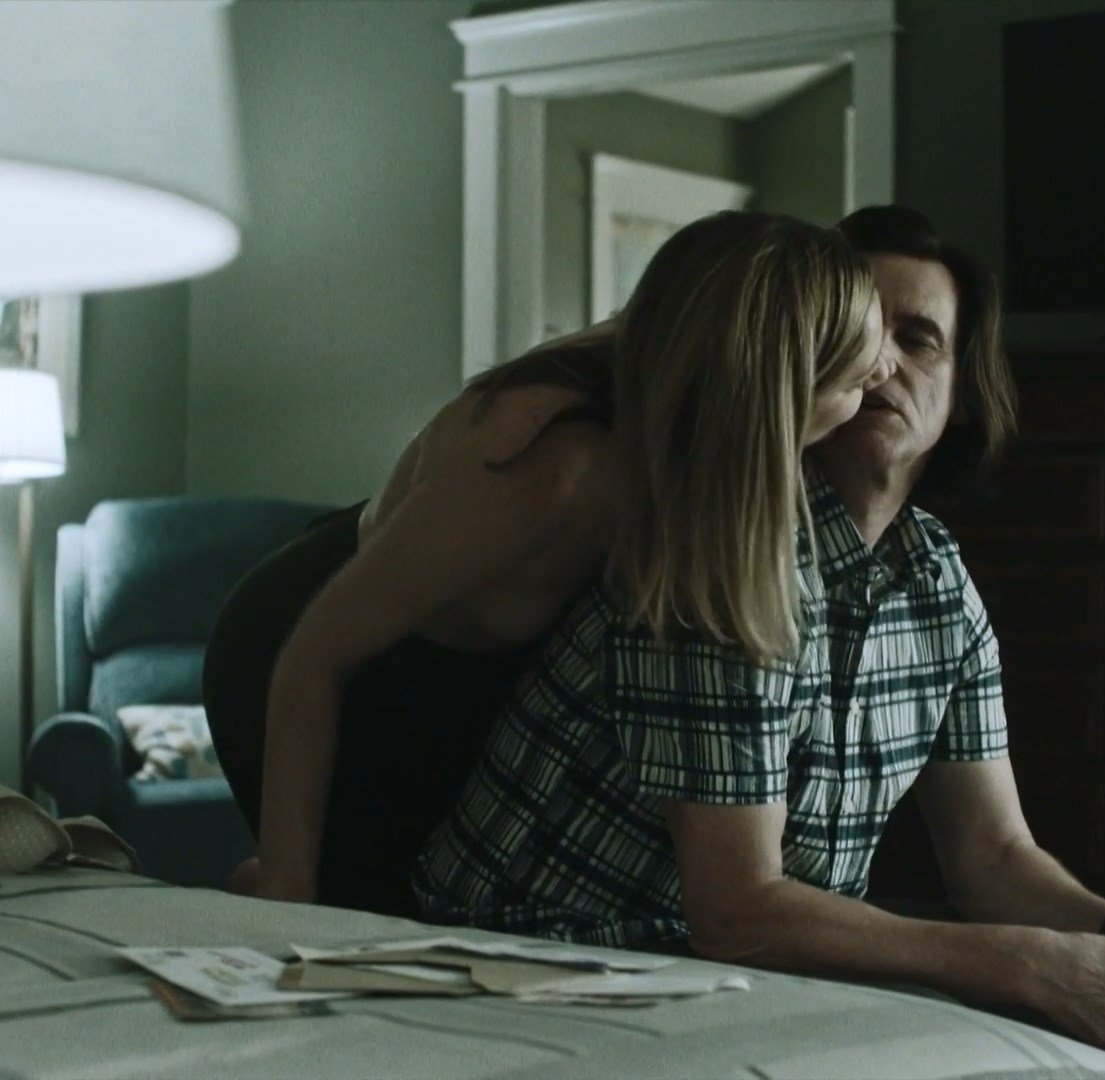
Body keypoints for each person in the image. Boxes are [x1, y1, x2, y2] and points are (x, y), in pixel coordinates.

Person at [412, 205, 1105, 1078]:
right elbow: (737, 911)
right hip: (549, 955)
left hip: (737, 972)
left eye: (918, 339)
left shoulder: (935, 576)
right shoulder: (727, 543)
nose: (881, 361)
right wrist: (1026, 962)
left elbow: (995, 854)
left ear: (962, 395)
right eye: (856, 331)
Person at [202, 210, 894, 917]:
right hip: (311, 647)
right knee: (345, 920)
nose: (885, 376)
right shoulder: (550, 468)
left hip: (463, 666)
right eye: (856, 381)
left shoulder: (686, 400)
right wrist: (288, 885)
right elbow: (315, 656)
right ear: (777, 397)